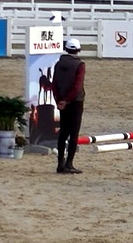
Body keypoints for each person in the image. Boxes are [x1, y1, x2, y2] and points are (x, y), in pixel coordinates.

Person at [52, 38, 86, 174]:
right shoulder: (80, 65)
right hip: (75, 102)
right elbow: (77, 87)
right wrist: (67, 100)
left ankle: (60, 163)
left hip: (61, 102)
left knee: (63, 133)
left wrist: (59, 100)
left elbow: (54, 83)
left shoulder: (58, 64)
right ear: (78, 50)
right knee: (74, 134)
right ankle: (69, 163)